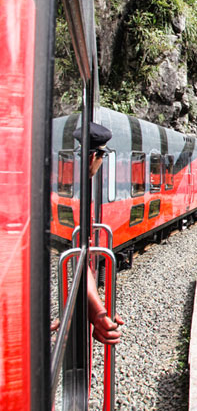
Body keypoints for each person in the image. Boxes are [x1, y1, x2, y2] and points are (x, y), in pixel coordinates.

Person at [52, 122, 124, 345]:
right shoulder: (79, 202)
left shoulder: (64, 194)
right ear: (94, 156)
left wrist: (93, 304)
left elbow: (79, 256)